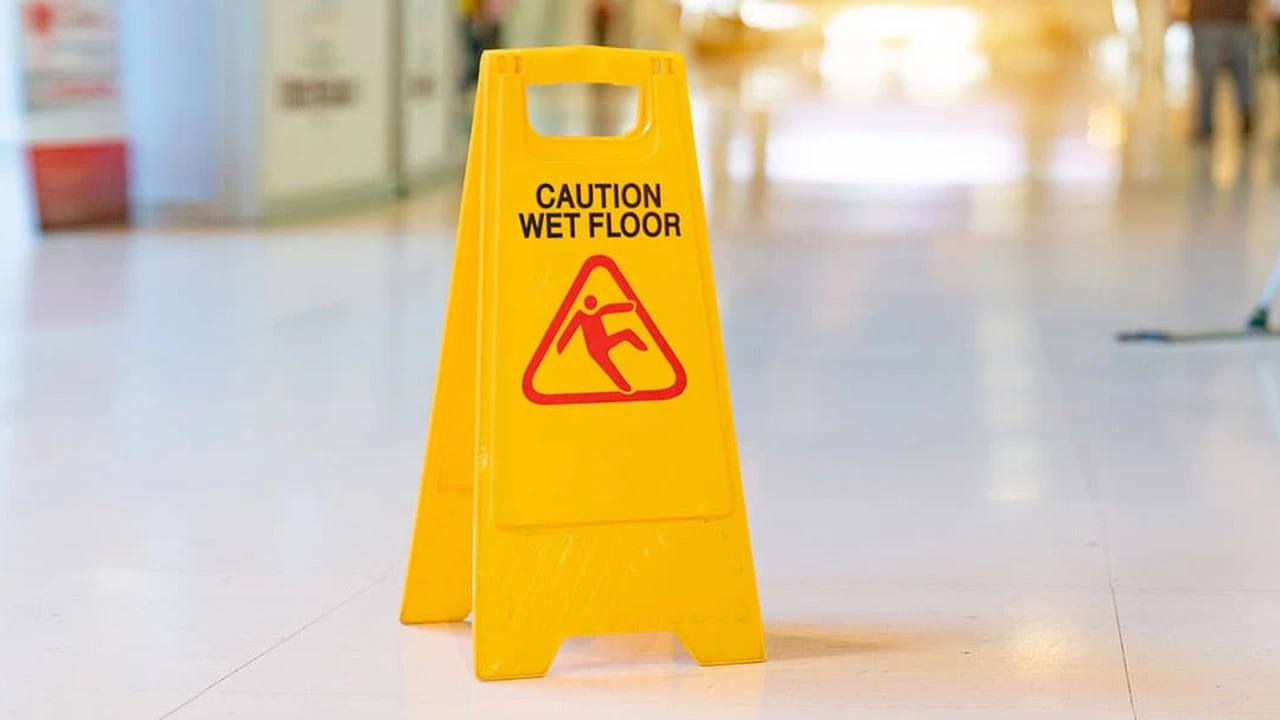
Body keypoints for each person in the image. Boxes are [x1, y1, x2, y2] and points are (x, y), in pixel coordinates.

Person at [1187, 0, 1255, 140]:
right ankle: (1244, 114)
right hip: (1235, 18)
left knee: (1208, 75)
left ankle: (1205, 124)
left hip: (1210, 18)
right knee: (1240, 72)